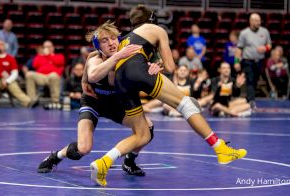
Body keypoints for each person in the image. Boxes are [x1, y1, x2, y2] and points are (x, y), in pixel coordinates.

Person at [90, 5, 247, 186]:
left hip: (120, 82)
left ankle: (103, 163)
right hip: (137, 72)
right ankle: (221, 149)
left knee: (142, 135)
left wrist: (150, 63)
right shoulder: (156, 29)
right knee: (186, 105)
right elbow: (172, 67)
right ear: (151, 19)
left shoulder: (126, 39)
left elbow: (130, 63)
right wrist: (159, 65)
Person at [37, 21, 162, 176]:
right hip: (93, 102)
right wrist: (115, 58)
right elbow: (94, 74)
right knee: (83, 148)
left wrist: (152, 69)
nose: (111, 43)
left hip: (116, 105)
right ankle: (55, 156)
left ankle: (129, 161)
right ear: (98, 47)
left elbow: (150, 66)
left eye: (113, 38)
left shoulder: (128, 59)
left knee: (147, 128)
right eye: (104, 40)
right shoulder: (96, 60)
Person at [234, 13, 272, 107]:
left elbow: (269, 45)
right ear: (250, 21)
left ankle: (249, 99)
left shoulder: (265, 31)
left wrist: (265, 48)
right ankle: (251, 101)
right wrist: (236, 62)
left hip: (260, 61)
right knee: (250, 80)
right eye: (256, 20)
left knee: (255, 80)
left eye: (259, 20)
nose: (259, 22)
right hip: (248, 60)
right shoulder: (244, 33)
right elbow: (239, 49)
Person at [0, 39, 32, 107]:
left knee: (14, 86)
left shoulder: (11, 58)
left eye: (1, 44)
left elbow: (15, 73)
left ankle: (28, 102)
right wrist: (2, 77)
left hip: (8, 80)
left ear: (5, 46)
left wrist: (7, 81)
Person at [25, 40, 65, 105]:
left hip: (53, 77)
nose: (47, 48)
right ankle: (32, 100)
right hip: (41, 77)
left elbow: (60, 62)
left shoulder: (59, 56)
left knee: (53, 75)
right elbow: (35, 65)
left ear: (53, 47)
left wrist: (49, 55)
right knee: (29, 74)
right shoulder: (39, 56)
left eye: (49, 47)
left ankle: (55, 101)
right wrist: (40, 55)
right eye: (45, 47)